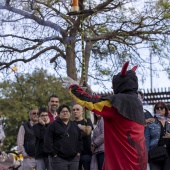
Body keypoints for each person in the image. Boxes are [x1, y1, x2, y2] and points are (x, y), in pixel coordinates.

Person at [68, 61, 147, 170]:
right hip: (138, 160)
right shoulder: (136, 102)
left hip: (122, 162)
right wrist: (89, 93)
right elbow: (101, 102)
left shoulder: (118, 103)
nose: (111, 87)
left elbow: (90, 103)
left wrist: (73, 88)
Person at [44, 104, 82, 170]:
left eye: (67, 111)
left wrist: (78, 152)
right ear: (59, 114)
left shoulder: (75, 126)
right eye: (63, 111)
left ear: (70, 113)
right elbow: (47, 141)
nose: (65, 113)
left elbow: (79, 140)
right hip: (58, 159)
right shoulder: (53, 126)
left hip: (74, 159)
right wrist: (53, 154)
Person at [145, 101, 170, 170]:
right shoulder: (151, 124)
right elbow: (146, 139)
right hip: (155, 153)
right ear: (155, 110)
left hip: (168, 153)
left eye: (161, 108)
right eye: (157, 108)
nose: (159, 110)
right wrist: (147, 154)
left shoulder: (169, 123)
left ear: (165, 110)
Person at [72, 104, 93, 170]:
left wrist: (78, 128)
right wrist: (83, 129)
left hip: (87, 153)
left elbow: (88, 131)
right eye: (73, 110)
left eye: (77, 109)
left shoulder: (87, 120)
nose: (75, 111)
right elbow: (71, 136)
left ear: (82, 111)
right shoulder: (70, 123)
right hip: (75, 154)